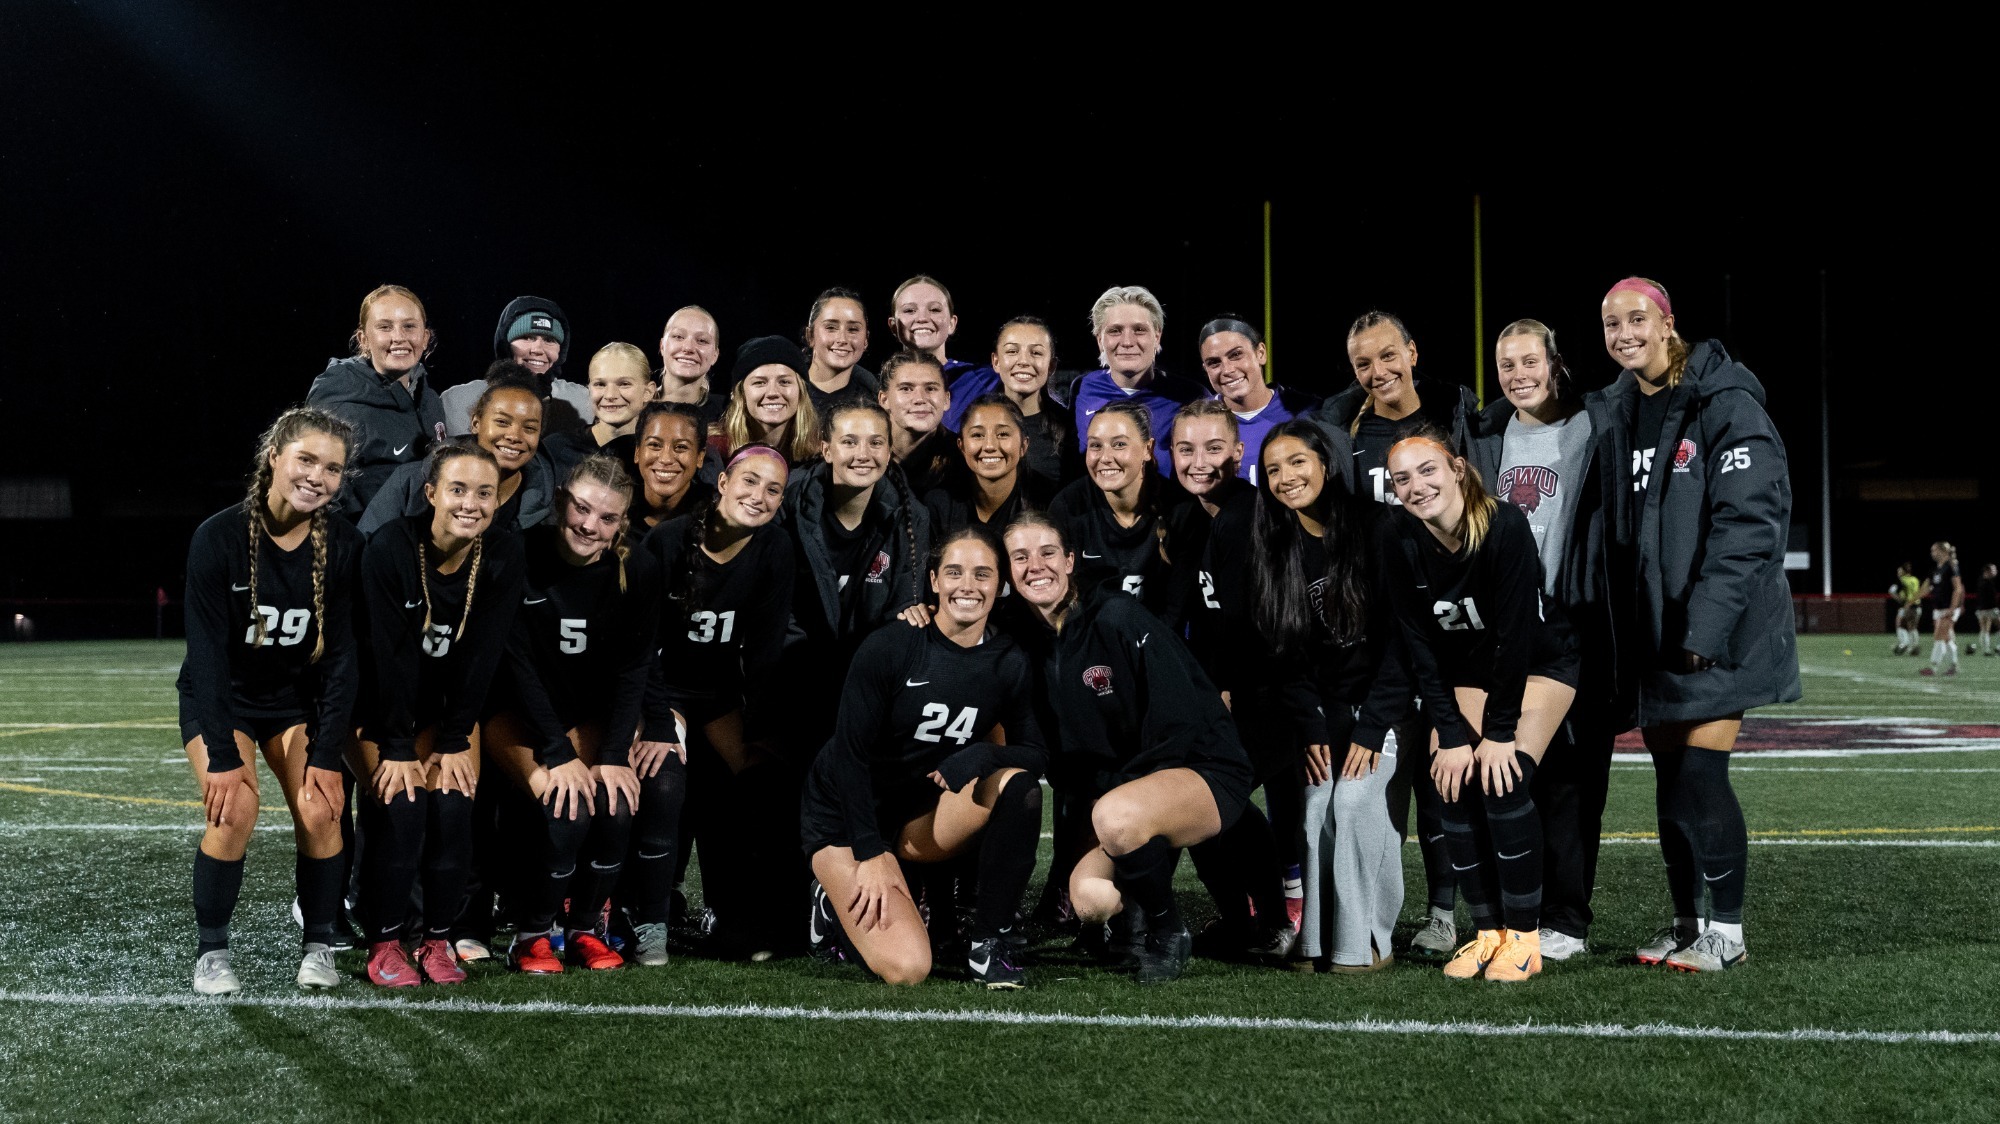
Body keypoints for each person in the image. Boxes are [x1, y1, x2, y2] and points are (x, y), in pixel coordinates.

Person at [1598, 276, 1799, 972]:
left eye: (1635, 319)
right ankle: (1687, 924)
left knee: (1702, 776)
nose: (1623, 333)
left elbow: (1749, 522)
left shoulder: (1726, 400)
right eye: (1610, 324)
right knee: (1669, 779)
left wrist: (1704, 629)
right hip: (1655, 634)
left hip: (1719, 635)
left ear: (1666, 323)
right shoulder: (1619, 410)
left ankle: (1731, 934)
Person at [1001, 511, 1252, 983]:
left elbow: (1180, 722)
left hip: (1200, 770)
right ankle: (1132, 907)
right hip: (1126, 797)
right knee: (1089, 899)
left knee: (1116, 816)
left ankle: (1167, 930)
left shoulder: (1117, 615)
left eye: (1048, 553)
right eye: (1020, 557)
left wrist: (1121, 793)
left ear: (1071, 560)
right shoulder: (1028, 638)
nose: (1036, 566)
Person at [1200, 420, 1410, 971]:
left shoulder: (1377, 527)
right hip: (1327, 711)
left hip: (1389, 705)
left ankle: (1368, 937)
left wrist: (1371, 727)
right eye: (1273, 470)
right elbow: (1286, 655)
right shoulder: (1275, 545)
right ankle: (1318, 939)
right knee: (1316, 805)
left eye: (1297, 462)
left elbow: (1404, 644)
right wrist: (1315, 727)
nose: (1286, 477)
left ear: (1325, 463)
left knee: (1355, 801)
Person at [802, 529, 1047, 988]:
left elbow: (1035, 754)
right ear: (933, 580)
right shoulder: (892, 646)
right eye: (954, 572)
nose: (967, 585)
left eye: (982, 573)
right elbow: (849, 758)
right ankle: (829, 902)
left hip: (919, 815)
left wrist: (981, 755)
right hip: (848, 816)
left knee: (1017, 785)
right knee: (909, 968)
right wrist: (869, 852)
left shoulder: (1008, 660)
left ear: (1001, 585)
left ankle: (989, 943)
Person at [1307, 309, 1476, 957]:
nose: (1378, 373)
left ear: (1411, 350)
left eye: (1387, 357)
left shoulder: (1456, 417)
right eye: (1362, 364)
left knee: (1442, 767)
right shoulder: (1341, 431)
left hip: (1446, 621)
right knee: (1380, 772)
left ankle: (1444, 912)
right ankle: (1371, 905)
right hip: (1371, 631)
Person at [1380, 430, 1577, 981]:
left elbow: (1515, 639)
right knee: (1450, 779)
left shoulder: (1504, 525)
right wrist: (1451, 731)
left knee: (1503, 778)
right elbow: (1418, 646)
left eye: (1428, 471)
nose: (1417, 486)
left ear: (1458, 469)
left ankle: (1525, 938)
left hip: (1539, 662)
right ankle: (1487, 933)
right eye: (1402, 479)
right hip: (1465, 671)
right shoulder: (1397, 535)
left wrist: (1496, 733)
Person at [180, 406, 363, 995]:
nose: (317, 476)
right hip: (226, 702)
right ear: (274, 459)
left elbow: (341, 661)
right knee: (233, 810)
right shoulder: (219, 537)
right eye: (306, 460)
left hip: (293, 702)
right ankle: (212, 953)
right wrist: (222, 755)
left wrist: (329, 754)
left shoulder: (345, 546)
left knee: (321, 808)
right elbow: (205, 657)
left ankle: (319, 945)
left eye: (332, 468)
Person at [1469, 319, 1628, 962]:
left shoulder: (1597, 423)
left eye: (1530, 361)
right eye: (1507, 365)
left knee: (1573, 776)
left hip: (1576, 618)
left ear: (1556, 362)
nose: (1519, 376)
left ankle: (1568, 916)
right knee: (1506, 767)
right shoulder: (1484, 432)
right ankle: (1514, 913)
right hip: (1506, 624)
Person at [352, 442, 526, 986]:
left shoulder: (502, 551)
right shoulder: (390, 548)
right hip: (376, 709)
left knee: (454, 809)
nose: (470, 503)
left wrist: (453, 740)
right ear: (430, 493)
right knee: (402, 807)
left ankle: (436, 941)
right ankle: (383, 941)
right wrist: (400, 748)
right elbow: (387, 661)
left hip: (445, 714)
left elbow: (483, 657)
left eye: (484, 492)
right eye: (457, 489)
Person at [483, 455, 663, 971]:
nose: (590, 526)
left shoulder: (639, 569)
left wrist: (611, 754)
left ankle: (585, 927)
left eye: (607, 518)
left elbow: (634, 670)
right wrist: (558, 752)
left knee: (615, 804)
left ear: (622, 522)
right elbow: (516, 667)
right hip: (515, 711)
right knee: (565, 806)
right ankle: (532, 934)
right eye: (582, 509)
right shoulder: (519, 553)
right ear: (561, 499)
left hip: (588, 712)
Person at [642, 444, 796, 956]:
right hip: (665, 690)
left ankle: (738, 913)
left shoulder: (774, 548)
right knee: (665, 781)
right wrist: (657, 718)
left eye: (773, 489)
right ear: (723, 483)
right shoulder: (667, 541)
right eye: (750, 482)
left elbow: (768, 650)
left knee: (752, 783)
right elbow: (639, 649)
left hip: (720, 695)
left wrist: (762, 727)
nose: (760, 496)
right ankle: (649, 916)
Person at [776, 399, 932, 805]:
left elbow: (903, 611)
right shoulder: (790, 503)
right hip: (794, 677)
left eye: (875, 442)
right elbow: (778, 609)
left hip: (864, 680)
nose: (863, 454)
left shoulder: (911, 516)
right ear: (826, 449)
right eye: (849, 441)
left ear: (888, 450)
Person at [307, 284, 447, 519]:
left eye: (409, 326)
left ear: (425, 337)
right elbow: (322, 490)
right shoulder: (338, 399)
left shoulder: (431, 400)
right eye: (385, 327)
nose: (399, 337)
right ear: (364, 338)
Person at [360, 366, 552, 537]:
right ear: (476, 423)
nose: (514, 435)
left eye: (529, 428)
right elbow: (364, 551)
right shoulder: (413, 481)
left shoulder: (550, 503)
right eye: (502, 422)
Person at [1048, 401, 1175, 621]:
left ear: (1148, 449)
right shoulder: (1068, 507)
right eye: (1095, 446)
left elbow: (1177, 611)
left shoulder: (1177, 508)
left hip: (1159, 644)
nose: (1105, 458)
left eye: (1119, 445)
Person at [1065, 285, 1201, 475]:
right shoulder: (1082, 387)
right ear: (1099, 340)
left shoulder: (1191, 396)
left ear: (1157, 336)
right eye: (1115, 331)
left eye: (1139, 330)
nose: (1127, 341)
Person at [940, 316, 1076, 491]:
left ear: (1051, 366)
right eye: (1012, 351)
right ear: (996, 361)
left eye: (1036, 353)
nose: (1024, 361)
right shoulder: (971, 420)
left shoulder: (1069, 429)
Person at [1164, 399, 1254, 637]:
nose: (1199, 463)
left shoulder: (1248, 517)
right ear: (1173, 453)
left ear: (1238, 453)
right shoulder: (1184, 517)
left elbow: (1242, 630)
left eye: (1213, 448)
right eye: (1186, 449)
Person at [440, 297, 591, 438]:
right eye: (527, 337)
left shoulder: (583, 402)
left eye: (549, 340)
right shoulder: (457, 401)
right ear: (506, 345)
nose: (538, 349)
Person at [1195, 317, 1320, 485]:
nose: (1227, 370)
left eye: (1236, 355)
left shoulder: (1308, 412)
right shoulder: (1196, 422)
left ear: (1260, 353)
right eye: (1214, 363)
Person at [923, 394, 1051, 541]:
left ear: (1023, 445)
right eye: (977, 435)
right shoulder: (939, 504)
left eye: (1003, 434)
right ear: (961, 446)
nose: (990, 446)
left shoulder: (1048, 501)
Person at [541, 343, 658, 479]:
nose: (610, 395)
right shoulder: (555, 449)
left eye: (624, 384)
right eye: (600, 384)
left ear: (648, 392)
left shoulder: (658, 456)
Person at [716, 336, 822, 469]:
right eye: (759, 383)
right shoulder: (715, 451)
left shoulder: (820, 456)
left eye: (784, 382)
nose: (773, 392)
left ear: (801, 392)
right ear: (739, 393)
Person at [878, 351, 959, 496]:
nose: (920, 398)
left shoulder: (964, 456)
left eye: (930, 388)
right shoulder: (862, 453)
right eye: (906, 389)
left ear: (946, 400)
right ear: (884, 399)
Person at [630, 402, 715, 531]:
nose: (666, 459)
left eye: (681, 447)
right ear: (637, 452)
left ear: (700, 457)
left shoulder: (714, 519)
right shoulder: (612, 511)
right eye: (654, 445)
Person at [888, 274, 976, 384]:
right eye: (909, 310)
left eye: (934, 310)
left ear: (951, 324)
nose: (922, 318)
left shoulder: (983, 381)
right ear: (894, 326)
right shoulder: (877, 385)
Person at [803, 288, 878, 416]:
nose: (842, 339)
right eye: (831, 328)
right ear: (810, 336)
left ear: (866, 340)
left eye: (853, 329)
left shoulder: (875, 402)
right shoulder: (787, 391)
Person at [658, 305, 727, 431]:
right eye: (678, 337)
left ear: (715, 355)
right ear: (662, 346)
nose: (688, 348)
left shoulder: (727, 415)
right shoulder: (636, 407)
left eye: (701, 340)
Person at [1918, 541, 1965, 676]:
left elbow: (1957, 588)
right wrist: (1914, 599)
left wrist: (1952, 608)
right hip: (1938, 608)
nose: (1932, 553)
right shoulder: (1936, 569)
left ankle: (1933, 667)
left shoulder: (1951, 566)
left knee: (1938, 636)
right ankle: (1954, 666)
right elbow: (1928, 588)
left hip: (1948, 608)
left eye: (1934, 550)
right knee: (1947, 638)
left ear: (1943, 551)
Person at [1891, 563, 1923, 655]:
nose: (1898, 572)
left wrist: (1894, 595)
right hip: (1918, 606)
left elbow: (1899, 596)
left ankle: (1904, 643)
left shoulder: (1902, 580)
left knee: (1900, 624)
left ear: (1904, 571)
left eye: (1899, 571)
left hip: (1907, 606)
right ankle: (1914, 647)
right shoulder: (1915, 579)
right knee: (1912, 627)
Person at [1974, 563, 1998, 656]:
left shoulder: (1984, 580)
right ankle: (1991, 649)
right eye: (1993, 570)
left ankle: (1987, 650)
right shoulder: (1985, 582)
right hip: (1988, 609)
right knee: (1985, 629)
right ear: (1987, 571)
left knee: (1984, 630)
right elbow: (1986, 598)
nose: (1995, 572)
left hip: (1983, 609)